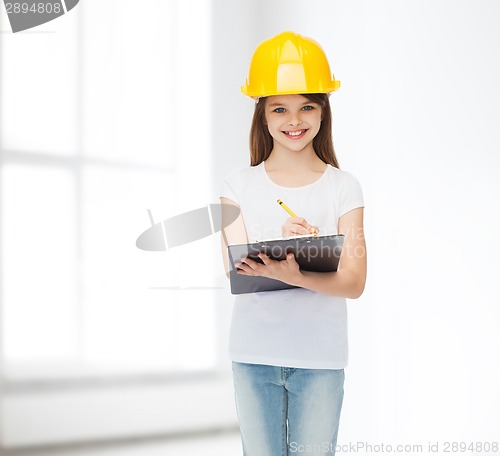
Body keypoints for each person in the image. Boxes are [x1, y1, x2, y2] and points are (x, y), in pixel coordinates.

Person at [219, 31, 367, 456]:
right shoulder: (238, 184)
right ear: (262, 115)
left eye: (307, 106)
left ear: (323, 112)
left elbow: (354, 282)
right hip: (254, 354)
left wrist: (296, 271)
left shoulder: (344, 187)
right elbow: (236, 271)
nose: (294, 119)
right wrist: (284, 253)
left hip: (321, 358)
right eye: (279, 108)